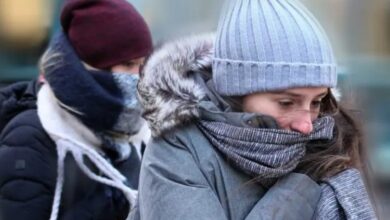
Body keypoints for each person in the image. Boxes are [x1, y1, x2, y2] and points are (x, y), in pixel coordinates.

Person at [135, 0, 377, 219]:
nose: (307, 126)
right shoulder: (176, 148)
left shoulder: (325, 145)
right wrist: (300, 187)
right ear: (237, 92)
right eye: (286, 103)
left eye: (315, 102)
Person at [0, 0, 152, 219]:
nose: (139, 76)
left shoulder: (137, 137)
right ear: (92, 68)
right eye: (128, 64)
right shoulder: (29, 140)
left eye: (143, 64)